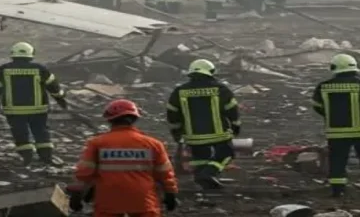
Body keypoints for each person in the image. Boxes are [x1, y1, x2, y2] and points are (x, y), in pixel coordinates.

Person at [66, 99, 178, 217]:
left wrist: (77, 195)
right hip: (143, 199)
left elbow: (84, 173)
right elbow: (165, 173)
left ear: (110, 119)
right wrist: (170, 193)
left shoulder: (97, 143)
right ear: (134, 119)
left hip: (108, 200)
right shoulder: (154, 144)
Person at [0, 42, 68, 165]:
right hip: (38, 109)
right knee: (41, 132)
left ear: (13, 54)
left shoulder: (4, 69)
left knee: (20, 133)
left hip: (14, 111)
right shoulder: (40, 69)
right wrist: (61, 100)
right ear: (31, 54)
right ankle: (46, 157)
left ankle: (27, 158)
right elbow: (53, 87)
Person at [166, 59, 240, 191]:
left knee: (200, 157)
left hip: (193, 137)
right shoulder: (221, 89)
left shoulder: (179, 91)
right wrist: (235, 127)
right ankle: (208, 173)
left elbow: (172, 114)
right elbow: (232, 111)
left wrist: (177, 134)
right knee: (226, 154)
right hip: (219, 135)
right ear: (211, 72)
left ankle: (201, 177)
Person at [313, 53, 360, 197]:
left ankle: (337, 191)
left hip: (337, 132)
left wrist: (331, 116)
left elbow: (317, 106)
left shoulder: (323, 87)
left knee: (337, 161)